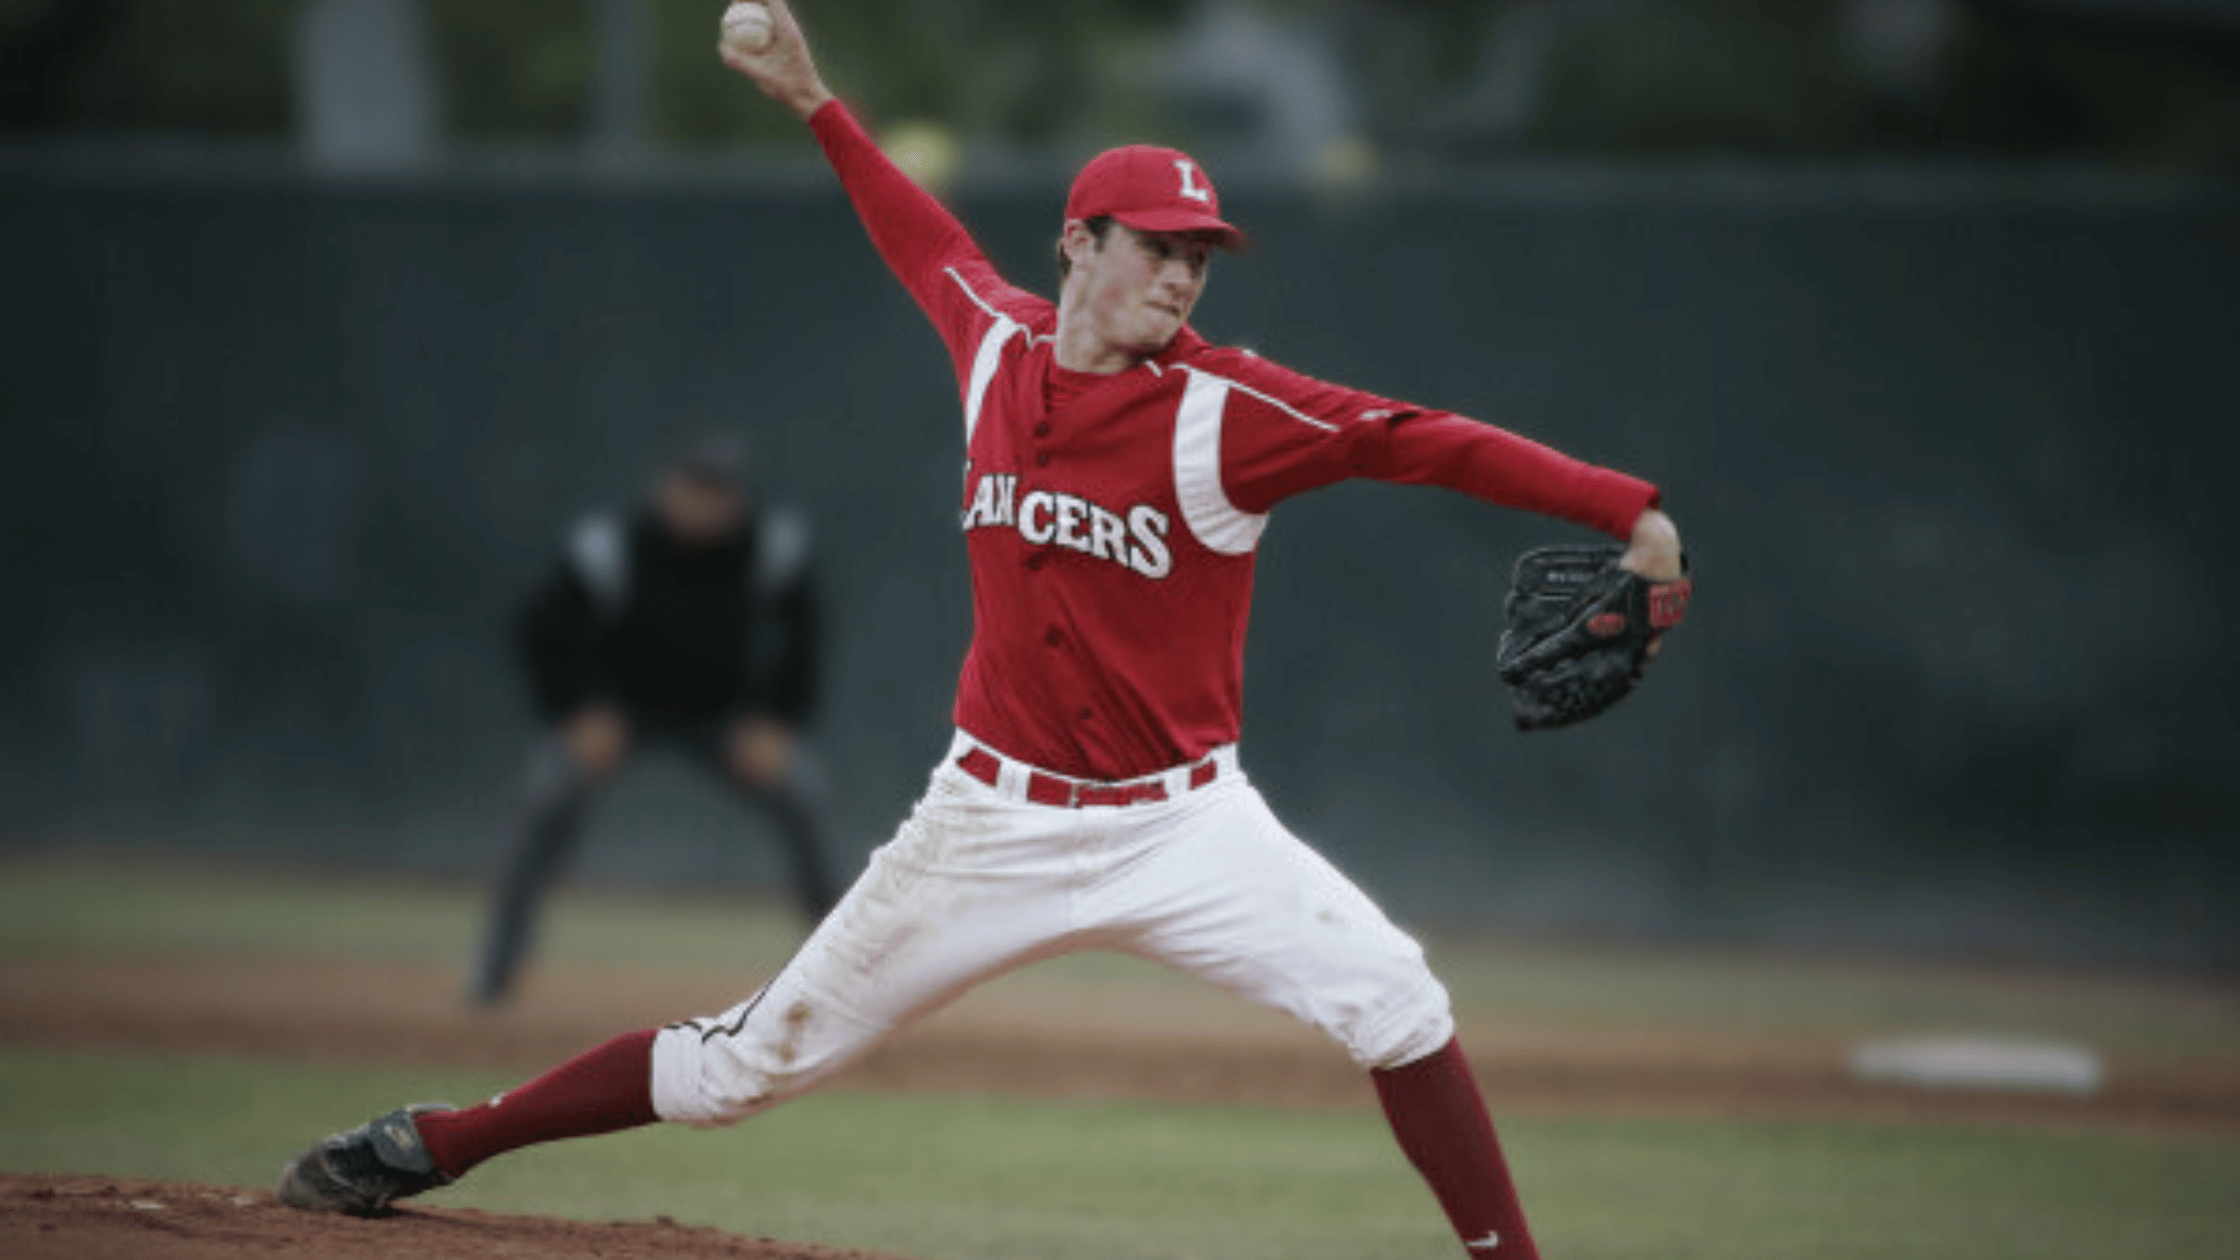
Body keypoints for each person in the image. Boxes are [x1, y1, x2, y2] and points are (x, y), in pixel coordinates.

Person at [276, 4, 1688, 1255]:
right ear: (1079, 244)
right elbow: (916, 232)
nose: (1185, 279)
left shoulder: (1224, 413)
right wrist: (816, 103)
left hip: (1187, 825)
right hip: (989, 821)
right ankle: (434, 1142)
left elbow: (1419, 443)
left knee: (1394, 996)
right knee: (735, 1071)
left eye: (1203, 257)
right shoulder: (996, 344)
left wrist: (1627, 509)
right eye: (1158, 249)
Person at [467, 431, 840, 1008]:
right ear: (664, 486)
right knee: (544, 800)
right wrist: (576, 712)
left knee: (806, 798)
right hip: (622, 713)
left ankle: (847, 982)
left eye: (720, 490)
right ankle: (492, 979)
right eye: (695, 486)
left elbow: (805, 638)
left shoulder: (770, 547)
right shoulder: (611, 544)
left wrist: (777, 721)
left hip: (726, 719)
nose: (707, 501)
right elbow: (541, 630)